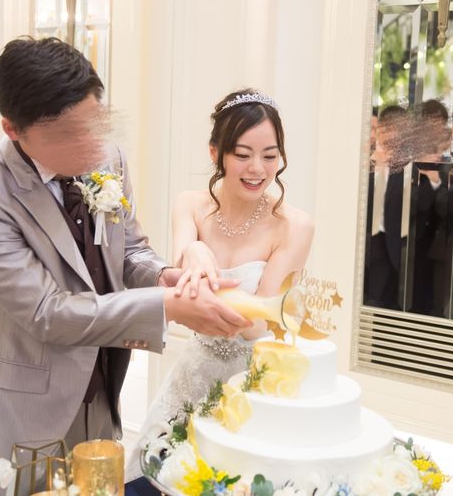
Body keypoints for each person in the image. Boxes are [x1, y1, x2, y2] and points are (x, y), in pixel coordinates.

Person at [0, 37, 252, 467]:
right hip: (24, 405)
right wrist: (168, 305)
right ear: (13, 130)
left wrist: (166, 276)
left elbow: (129, 251)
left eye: (94, 124)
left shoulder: (109, 159)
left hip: (102, 387)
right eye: (67, 134)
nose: (90, 144)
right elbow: (47, 313)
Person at [126, 88, 314, 480]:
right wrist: (194, 249)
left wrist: (198, 274)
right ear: (216, 153)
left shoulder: (294, 226)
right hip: (193, 373)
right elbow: (179, 276)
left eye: (270, 155)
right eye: (243, 155)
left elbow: (258, 325)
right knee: (156, 476)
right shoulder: (190, 205)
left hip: (252, 386)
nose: (258, 169)